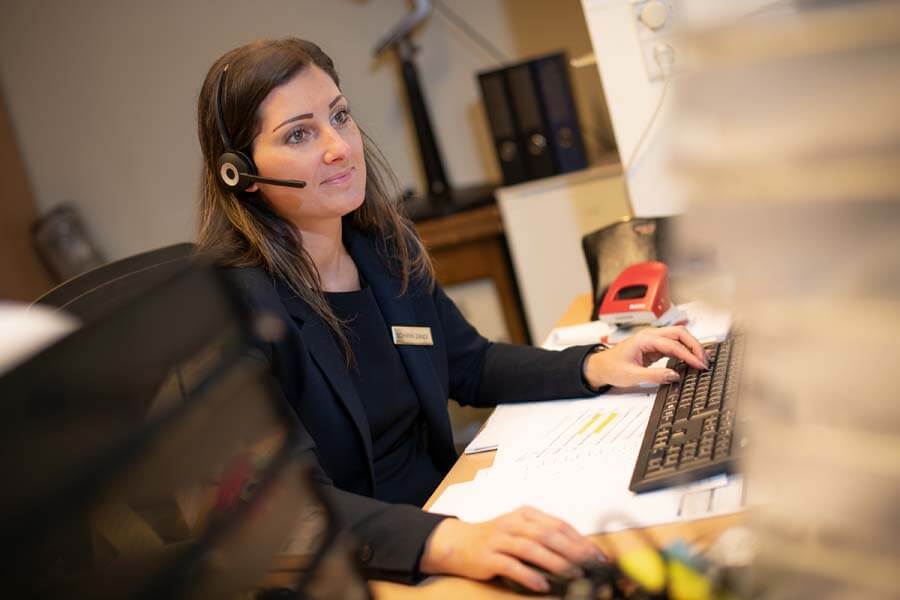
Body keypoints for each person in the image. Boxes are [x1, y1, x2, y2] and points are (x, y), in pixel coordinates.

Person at [195, 38, 708, 592]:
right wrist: (446, 541)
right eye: (299, 134)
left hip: (454, 507)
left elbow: (470, 363)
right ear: (238, 174)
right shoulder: (236, 309)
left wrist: (593, 366)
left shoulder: (381, 248)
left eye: (339, 116)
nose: (340, 147)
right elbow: (287, 507)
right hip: (366, 563)